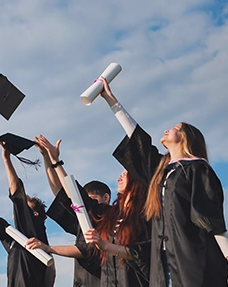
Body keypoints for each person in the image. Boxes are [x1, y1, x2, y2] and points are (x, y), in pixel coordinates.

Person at [98, 77, 228, 287]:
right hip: (162, 262)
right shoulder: (162, 172)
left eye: (175, 128)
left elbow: (209, 216)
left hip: (191, 260)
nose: (168, 130)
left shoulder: (197, 169)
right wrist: (111, 101)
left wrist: (226, 251)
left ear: (186, 138)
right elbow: (138, 140)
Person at [29, 134, 151, 287]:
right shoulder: (107, 214)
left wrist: (49, 248)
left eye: (124, 175)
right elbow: (71, 195)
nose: (118, 179)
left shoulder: (144, 216)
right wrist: (54, 161)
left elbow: (142, 253)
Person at [36, 139, 111, 287]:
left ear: (106, 197)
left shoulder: (108, 215)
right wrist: (47, 158)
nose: (86, 205)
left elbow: (84, 250)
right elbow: (59, 193)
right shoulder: (83, 219)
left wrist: (56, 162)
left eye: (92, 200)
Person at [0, 141, 55, 287]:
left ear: (35, 215)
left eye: (25, 210)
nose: (16, 215)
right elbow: (3, 226)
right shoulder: (18, 241)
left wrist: (6, 160)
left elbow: (17, 195)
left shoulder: (35, 232)